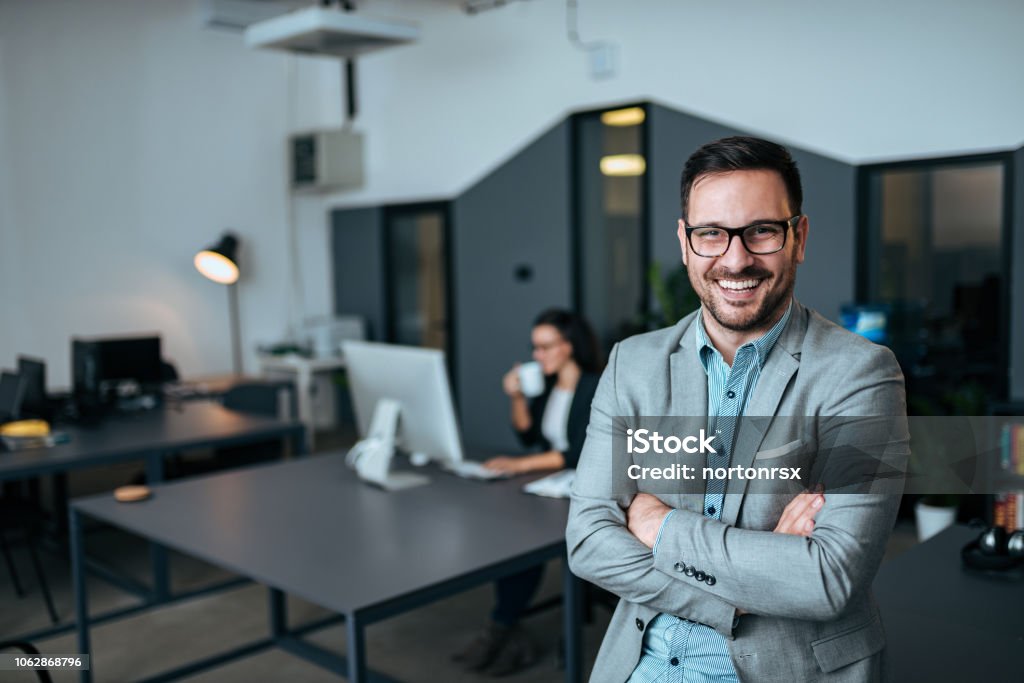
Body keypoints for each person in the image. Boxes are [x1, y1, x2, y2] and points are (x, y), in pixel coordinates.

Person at [566, 136, 909, 682]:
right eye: (711, 234)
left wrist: (659, 526)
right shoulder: (630, 364)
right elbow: (587, 542)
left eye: (762, 231)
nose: (736, 258)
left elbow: (829, 577)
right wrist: (746, 589)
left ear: (798, 237)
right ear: (685, 242)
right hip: (639, 665)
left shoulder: (860, 374)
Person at [454, 308, 601, 676]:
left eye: (545, 347)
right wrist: (516, 396)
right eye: (535, 348)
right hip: (552, 485)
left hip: (587, 486)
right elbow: (528, 435)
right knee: (513, 539)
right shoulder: (548, 386)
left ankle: (504, 627)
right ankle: (502, 625)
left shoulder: (594, 385)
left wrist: (519, 465)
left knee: (529, 543)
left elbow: (580, 451)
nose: (537, 356)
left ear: (568, 346)